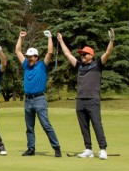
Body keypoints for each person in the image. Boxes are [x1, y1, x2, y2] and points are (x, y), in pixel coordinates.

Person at [57, 29, 114, 159]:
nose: (82, 56)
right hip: (80, 100)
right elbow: (67, 54)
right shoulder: (79, 66)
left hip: (93, 99)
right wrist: (61, 40)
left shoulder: (98, 65)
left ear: (91, 55)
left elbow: (108, 52)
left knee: (96, 124)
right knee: (84, 126)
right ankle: (88, 149)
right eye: (81, 54)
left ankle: (103, 149)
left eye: (84, 54)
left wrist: (111, 40)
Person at [15, 30, 61, 157]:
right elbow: (17, 51)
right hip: (28, 100)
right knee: (29, 127)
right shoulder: (26, 65)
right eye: (28, 57)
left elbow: (50, 52)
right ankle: (31, 148)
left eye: (31, 57)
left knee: (46, 125)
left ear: (36, 57)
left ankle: (56, 148)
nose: (29, 59)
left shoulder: (42, 65)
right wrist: (20, 38)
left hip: (39, 99)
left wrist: (49, 37)